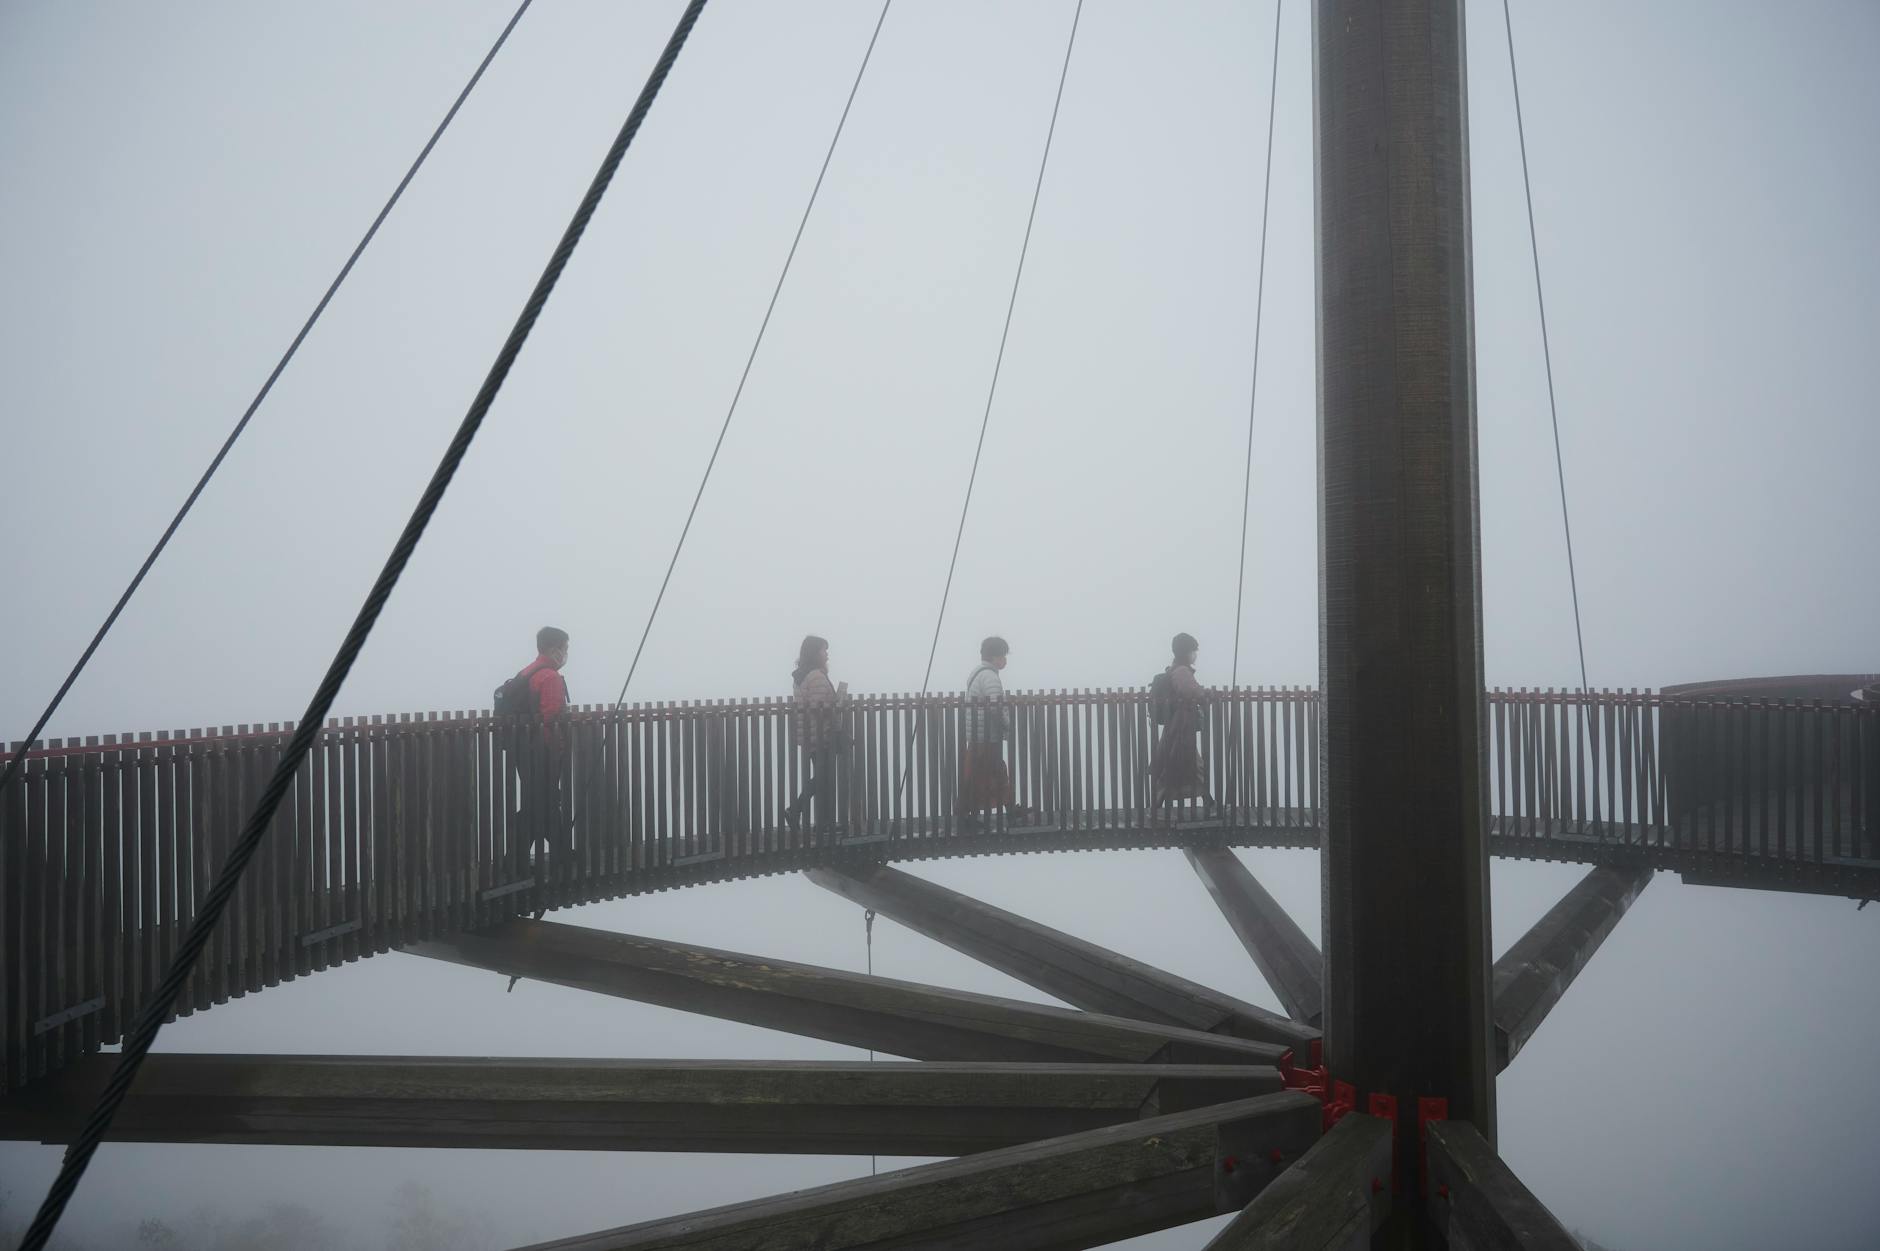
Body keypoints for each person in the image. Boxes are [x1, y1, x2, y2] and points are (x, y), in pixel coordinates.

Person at [509, 626, 571, 865]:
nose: (566, 654)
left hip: (522, 749)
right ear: (553, 649)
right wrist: (559, 750)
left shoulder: (528, 672)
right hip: (541, 752)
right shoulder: (550, 677)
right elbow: (551, 719)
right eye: (564, 649)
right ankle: (517, 857)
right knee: (541, 801)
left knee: (537, 801)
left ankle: (559, 850)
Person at [961, 636, 1027, 823]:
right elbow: (995, 706)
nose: (1005, 660)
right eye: (1003, 656)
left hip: (977, 733)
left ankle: (974, 811)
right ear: (995, 657)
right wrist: (1007, 724)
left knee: (982, 771)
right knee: (992, 771)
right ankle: (972, 812)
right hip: (987, 735)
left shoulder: (977, 673)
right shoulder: (990, 676)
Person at [1152, 631, 1217, 816]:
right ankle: (1209, 804)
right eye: (1193, 650)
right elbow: (1190, 691)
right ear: (1185, 652)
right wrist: (1206, 695)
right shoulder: (1181, 671)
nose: (1195, 654)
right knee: (1183, 764)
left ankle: (1209, 802)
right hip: (1180, 727)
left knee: (1181, 764)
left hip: (1178, 726)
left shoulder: (1175, 669)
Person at [784, 635, 845, 833]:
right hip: (821, 735)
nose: (826, 654)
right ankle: (796, 810)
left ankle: (822, 822)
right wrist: (838, 704)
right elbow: (821, 708)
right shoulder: (816, 677)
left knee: (823, 779)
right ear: (815, 653)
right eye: (823, 650)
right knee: (823, 778)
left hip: (811, 735)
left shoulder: (802, 676)